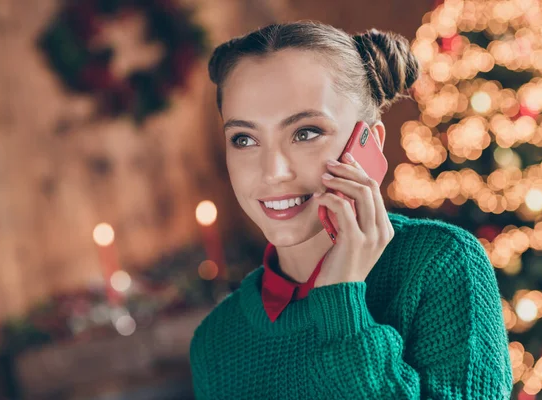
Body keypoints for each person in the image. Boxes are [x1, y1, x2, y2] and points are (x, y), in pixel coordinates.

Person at [189, 20, 513, 399]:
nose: (273, 172)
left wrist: (342, 303)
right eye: (244, 139)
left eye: (306, 132)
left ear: (369, 143)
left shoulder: (440, 265)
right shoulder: (215, 341)